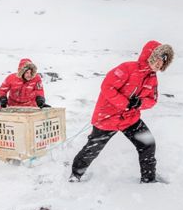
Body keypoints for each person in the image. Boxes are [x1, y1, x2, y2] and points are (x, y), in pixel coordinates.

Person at [69, 40, 174, 183]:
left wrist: (139, 103)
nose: (159, 63)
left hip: (130, 119)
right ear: (150, 55)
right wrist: (125, 103)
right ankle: (75, 174)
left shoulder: (152, 79)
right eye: (158, 58)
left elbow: (152, 100)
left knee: (147, 144)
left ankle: (149, 180)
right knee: (93, 149)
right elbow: (107, 86)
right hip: (108, 117)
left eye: (163, 60)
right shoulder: (128, 68)